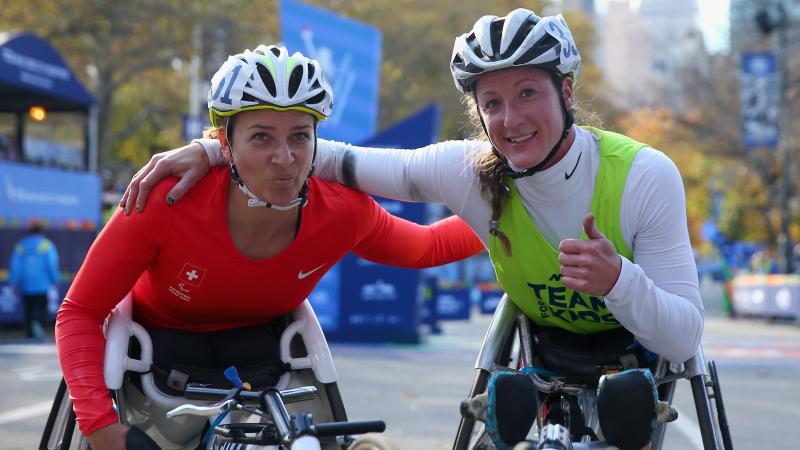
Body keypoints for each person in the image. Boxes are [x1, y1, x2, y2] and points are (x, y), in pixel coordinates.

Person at [123, 9, 703, 447]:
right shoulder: (466, 172)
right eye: (492, 103)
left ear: (567, 91)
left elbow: (683, 339)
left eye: (528, 93)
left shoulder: (644, 176)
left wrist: (617, 281)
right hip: (538, 351)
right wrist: (213, 150)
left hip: (634, 353)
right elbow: (328, 156)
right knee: (505, 408)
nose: (511, 119)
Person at [56, 44, 483, 450]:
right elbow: (81, 311)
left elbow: (427, 247)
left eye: (299, 136)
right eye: (261, 138)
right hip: (154, 357)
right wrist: (101, 427)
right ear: (225, 145)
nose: (284, 157)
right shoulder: (165, 199)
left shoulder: (343, 211)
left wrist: (511, 215)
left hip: (264, 356)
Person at [8, 222, 60, 340]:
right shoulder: (47, 245)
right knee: (42, 309)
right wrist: (55, 280)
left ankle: (30, 334)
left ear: (29, 232)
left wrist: (13, 282)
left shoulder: (21, 246)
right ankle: (40, 327)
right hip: (43, 285)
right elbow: (51, 264)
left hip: (26, 285)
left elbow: (16, 266)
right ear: (41, 232)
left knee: (28, 309)